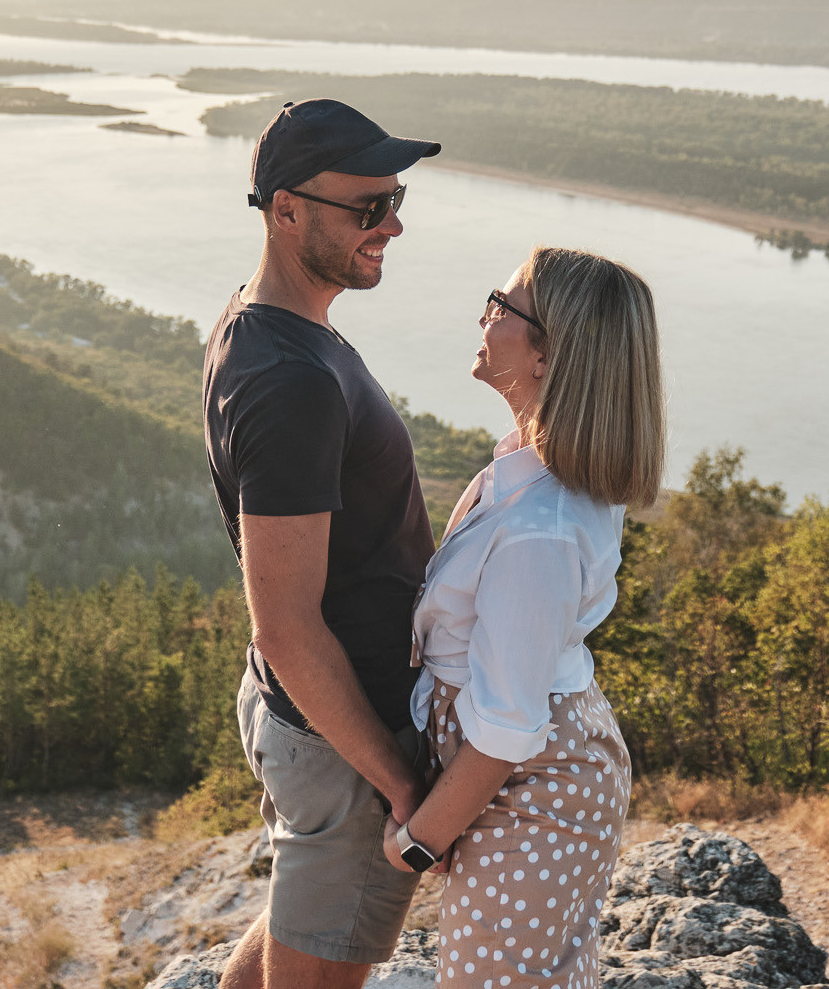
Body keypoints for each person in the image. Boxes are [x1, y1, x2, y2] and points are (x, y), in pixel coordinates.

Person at [207, 98, 445, 989]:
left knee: (297, 929)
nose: (392, 224)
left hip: (312, 724)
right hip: (343, 737)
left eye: (395, 199)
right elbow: (288, 628)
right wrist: (400, 783)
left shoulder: (263, 322)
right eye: (367, 208)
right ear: (286, 209)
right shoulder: (291, 381)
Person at [383, 247, 664, 989]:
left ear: (549, 354)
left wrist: (420, 838)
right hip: (519, 779)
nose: (484, 316)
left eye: (502, 306)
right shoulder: (526, 470)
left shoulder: (538, 527)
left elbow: (507, 726)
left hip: (530, 787)